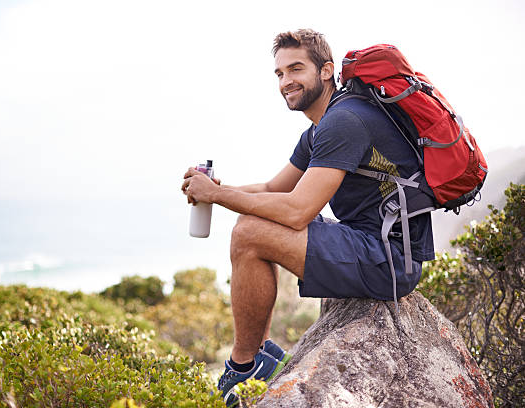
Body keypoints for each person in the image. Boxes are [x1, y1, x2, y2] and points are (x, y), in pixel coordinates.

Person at [181, 29, 434, 406]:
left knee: (250, 233)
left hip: (389, 260)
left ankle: (243, 366)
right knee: (250, 229)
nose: (286, 82)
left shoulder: (345, 121)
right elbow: (272, 189)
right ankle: (259, 357)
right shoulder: (320, 128)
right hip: (371, 243)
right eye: (280, 73)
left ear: (326, 70)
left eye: (296, 69)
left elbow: (298, 211)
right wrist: (217, 189)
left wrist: (218, 196)